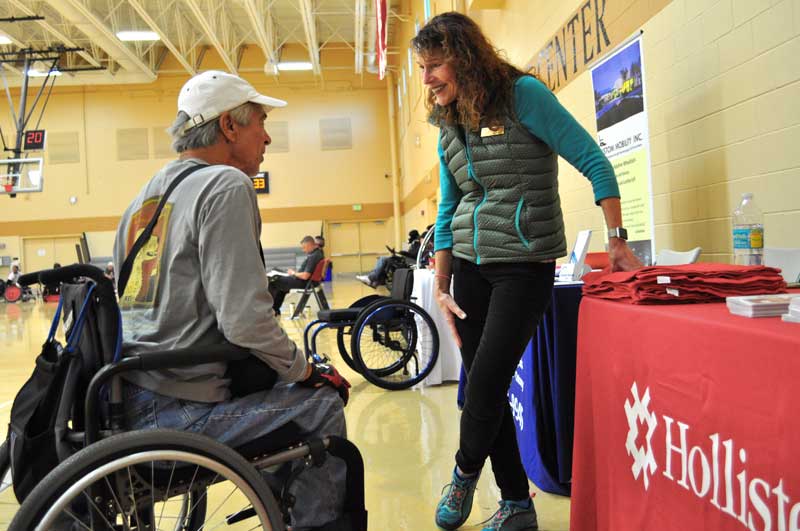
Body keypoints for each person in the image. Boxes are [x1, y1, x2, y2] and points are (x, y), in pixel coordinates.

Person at [412, 13, 642, 531]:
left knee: (487, 383)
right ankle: (517, 505)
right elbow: (448, 208)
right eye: (422, 68)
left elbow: (592, 159)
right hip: (469, 267)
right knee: (480, 388)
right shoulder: (448, 123)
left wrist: (617, 238)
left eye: (434, 66)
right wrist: (442, 284)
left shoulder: (524, 96)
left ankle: (464, 471)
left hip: (524, 264)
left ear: (465, 58)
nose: (426, 79)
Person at [113, 70, 351, 530]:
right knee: (321, 404)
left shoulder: (145, 197)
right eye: (260, 122)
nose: (266, 137)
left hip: (128, 393)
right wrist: (308, 369)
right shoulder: (224, 184)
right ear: (229, 126)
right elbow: (246, 324)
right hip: (175, 411)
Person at [268, 235, 324, 316]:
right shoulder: (317, 253)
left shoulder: (313, 256)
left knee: (273, 281)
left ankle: (273, 310)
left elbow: (305, 276)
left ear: (310, 245)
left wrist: (294, 273)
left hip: (304, 282)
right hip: (306, 281)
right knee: (280, 281)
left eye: (304, 247)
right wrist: (294, 273)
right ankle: (275, 309)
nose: (303, 250)